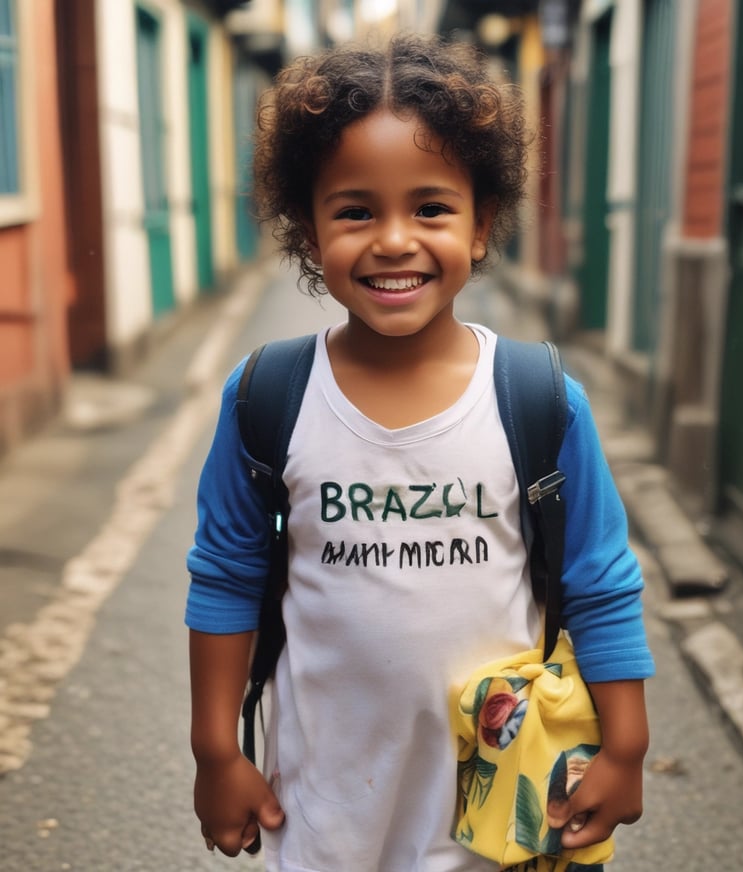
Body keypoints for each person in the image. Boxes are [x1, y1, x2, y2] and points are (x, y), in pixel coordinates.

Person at [185, 32, 654, 872]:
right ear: (307, 227)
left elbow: (600, 578)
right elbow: (225, 574)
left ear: (481, 226)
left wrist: (626, 746)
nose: (394, 240)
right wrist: (216, 752)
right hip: (327, 798)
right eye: (356, 210)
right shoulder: (268, 398)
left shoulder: (537, 400)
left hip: (497, 796)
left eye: (431, 208)